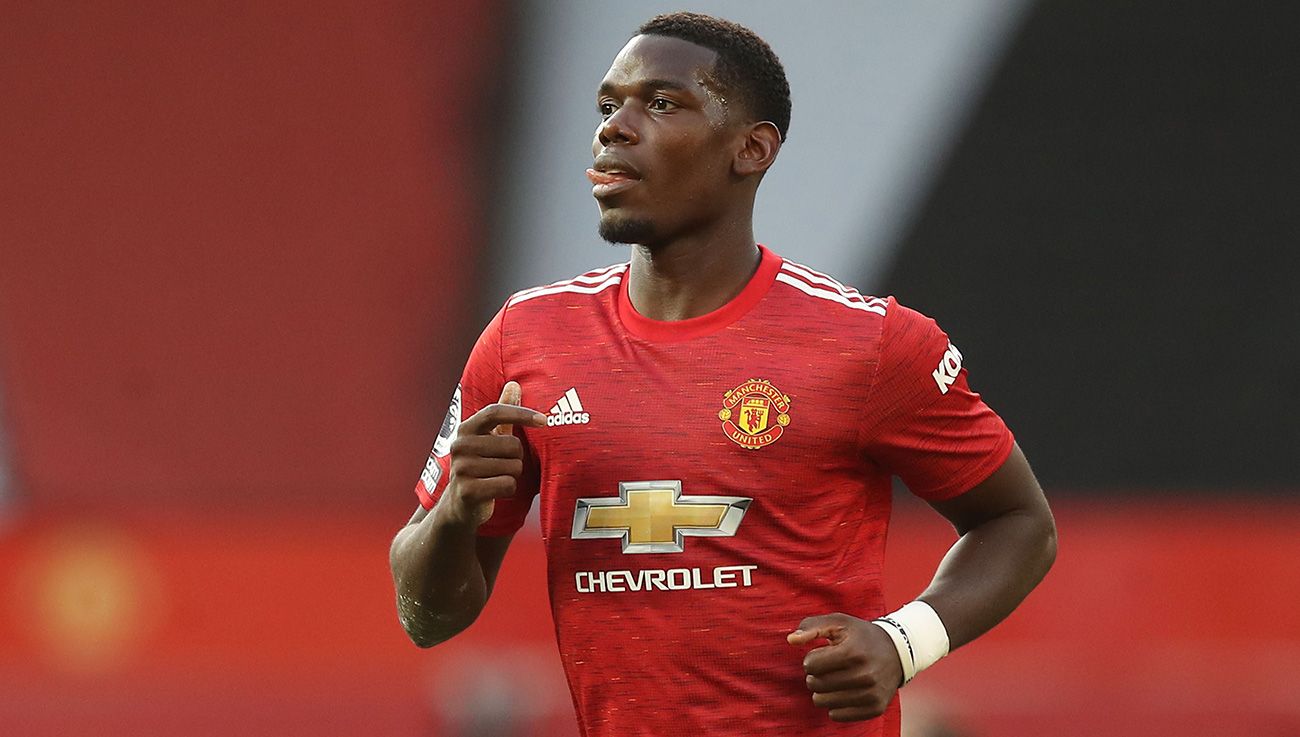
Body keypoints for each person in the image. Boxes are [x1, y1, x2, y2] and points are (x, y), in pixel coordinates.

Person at [389, 11, 1056, 736]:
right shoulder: (526, 339)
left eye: (661, 103)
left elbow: (1019, 523)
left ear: (751, 148)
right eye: (608, 105)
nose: (614, 127)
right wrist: (455, 514)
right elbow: (427, 616)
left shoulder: (869, 344)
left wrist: (904, 643)